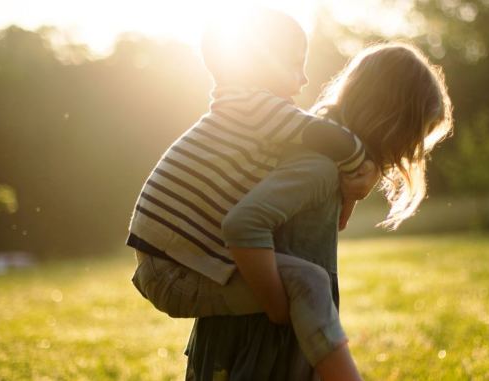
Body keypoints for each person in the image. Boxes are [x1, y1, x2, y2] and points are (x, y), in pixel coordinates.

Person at [126, 7, 377, 381]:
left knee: (300, 280)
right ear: (261, 62)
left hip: (170, 265)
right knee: (308, 282)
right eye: (295, 64)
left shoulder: (241, 112)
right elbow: (330, 137)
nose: (304, 77)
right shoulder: (253, 107)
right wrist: (363, 170)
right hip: (174, 271)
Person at [186, 42, 454, 380]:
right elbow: (244, 224)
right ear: (392, 122)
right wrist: (281, 309)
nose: (409, 152)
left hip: (278, 330)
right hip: (259, 339)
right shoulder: (319, 167)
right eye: (413, 138)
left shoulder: (329, 158)